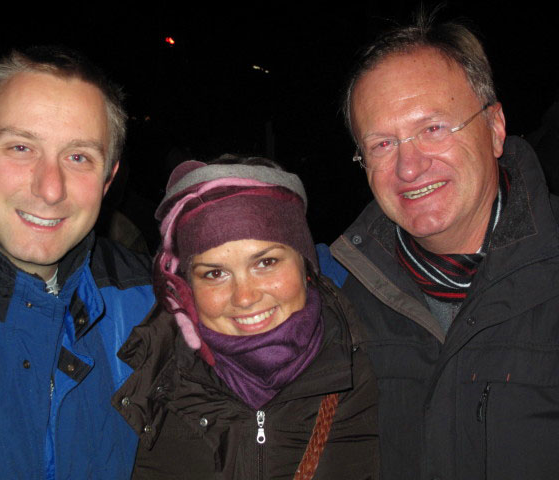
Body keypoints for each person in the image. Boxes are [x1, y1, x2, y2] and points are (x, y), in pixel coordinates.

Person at [328, 13, 559, 480]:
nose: (409, 168)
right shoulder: (347, 306)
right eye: (382, 144)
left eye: (433, 128)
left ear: (494, 127)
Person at [0, 47, 154, 478]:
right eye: (21, 147)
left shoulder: (154, 305)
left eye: (79, 156)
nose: (50, 189)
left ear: (109, 178)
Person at [112, 158, 379, 479]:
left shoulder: (381, 372)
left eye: (266, 262)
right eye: (214, 273)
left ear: (305, 264)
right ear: (187, 287)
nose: (245, 297)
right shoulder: (145, 387)